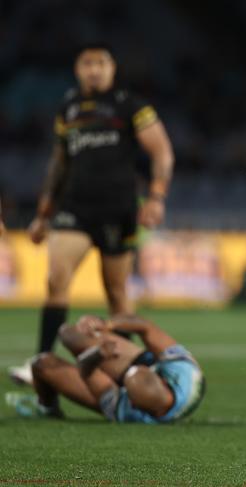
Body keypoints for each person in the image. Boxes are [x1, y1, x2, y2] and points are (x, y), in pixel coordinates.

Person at [9, 42, 174, 385]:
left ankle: (127, 371)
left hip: (118, 209)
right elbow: (59, 162)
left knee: (116, 294)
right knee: (56, 279)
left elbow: (162, 152)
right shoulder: (68, 107)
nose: (94, 69)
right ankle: (42, 364)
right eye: (87, 63)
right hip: (74, 209)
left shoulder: (130, 105)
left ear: (112, 68)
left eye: (101, 63)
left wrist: (156, 198)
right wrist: (43, 212)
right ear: (77, 69)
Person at [6, 314, 205, 423]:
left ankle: (46, 407)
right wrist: (106, 324)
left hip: (115, 395)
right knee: (69, 334)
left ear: (134, 402)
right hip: (155, 382)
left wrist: (98, 355)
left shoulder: (128, 411)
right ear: (161, 378)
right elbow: (146, 326)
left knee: (42, 365)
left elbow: (87, 372)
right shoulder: (183, 370)